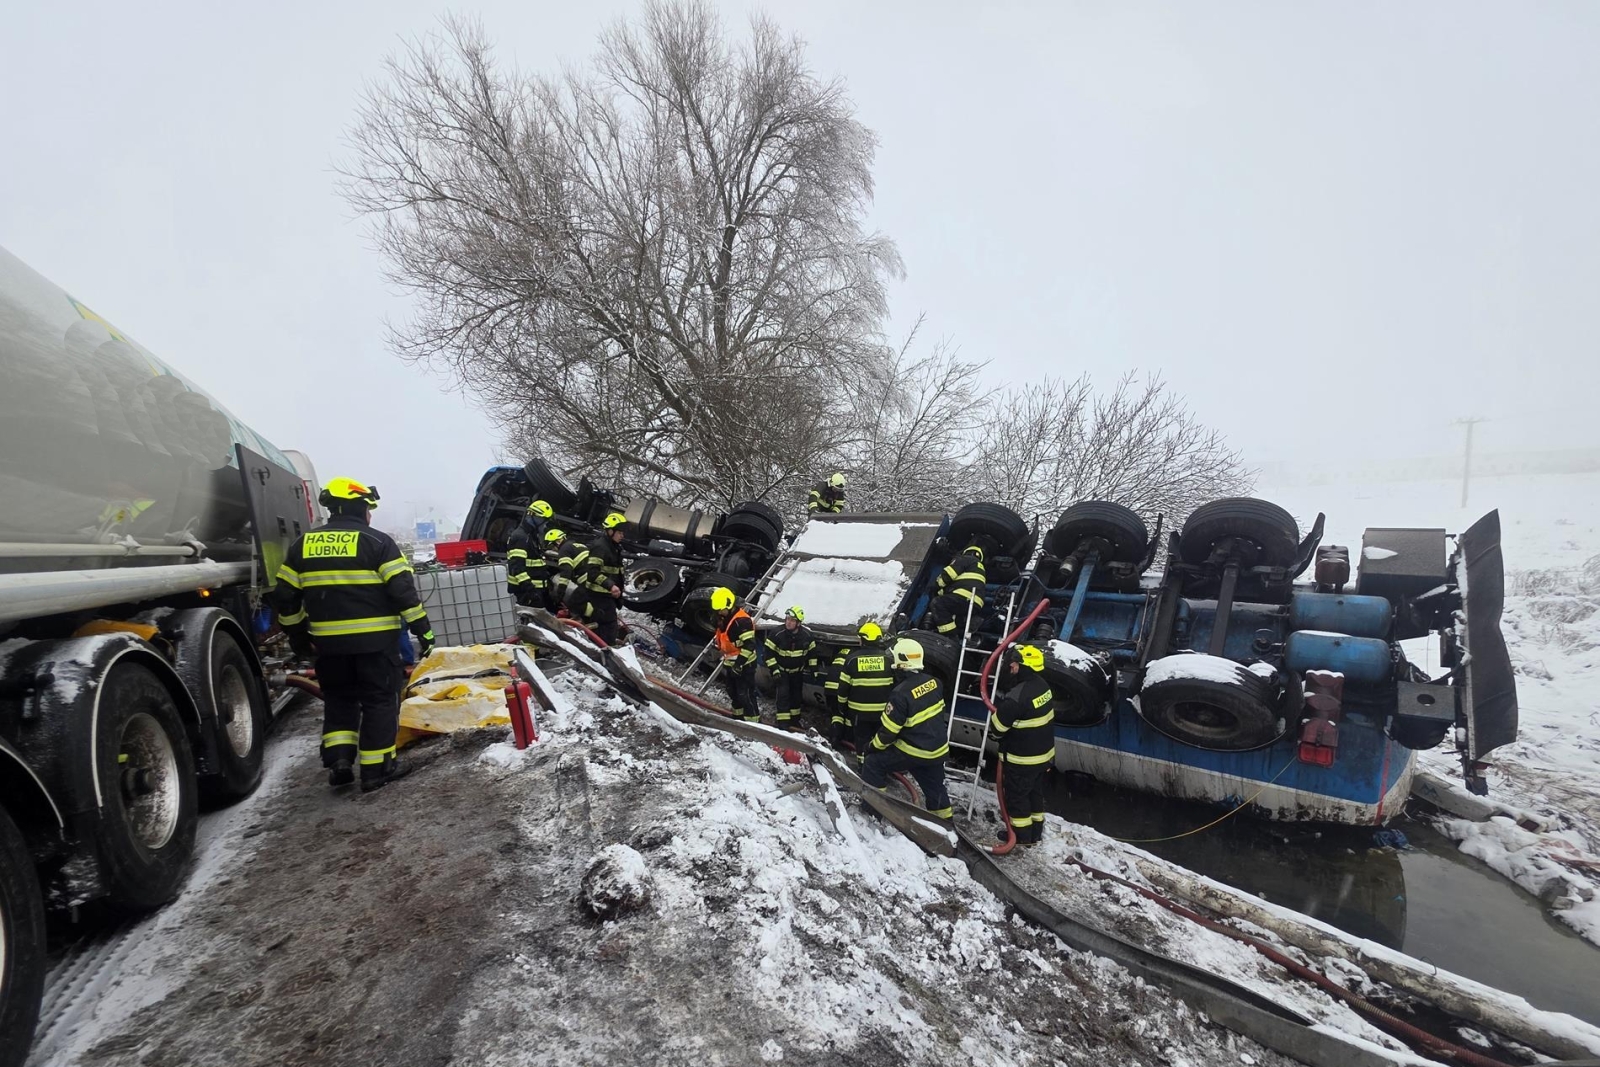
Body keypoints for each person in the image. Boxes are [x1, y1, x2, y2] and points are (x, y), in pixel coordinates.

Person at [272, 477, 434, 793]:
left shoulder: (301, 546)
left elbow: (285, 597)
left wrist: (298, 638)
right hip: (376, 644)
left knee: (339, 699)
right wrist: (424, 632)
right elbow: (403, 593)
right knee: (378, 701)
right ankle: (377, 770)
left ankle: (339, 762)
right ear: (362, 509)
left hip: (329, 647)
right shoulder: (378, 543)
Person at [861, 638, 953, 820]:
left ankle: (873, 811)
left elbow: (888, 733)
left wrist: (872, 747)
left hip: (913, 751)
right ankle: (945, 824)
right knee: (936, 790)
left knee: (873, 763)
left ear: (901, 663)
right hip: (937, 751)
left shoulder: (900, 694)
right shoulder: (935, 683)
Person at [989, 644, 1055, 846]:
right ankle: (1036, 832)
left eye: (1015, 663)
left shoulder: (1015, 698)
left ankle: (1020, 836)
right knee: (1035, 793)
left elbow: (997, 730)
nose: (1013, 667)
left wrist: (998, 717)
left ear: (1024, 666)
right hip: (1043, 756)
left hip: (1022, 759)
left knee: (1017, 798)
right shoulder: (1043, 686)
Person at [568, 512, 629, 643]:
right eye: (620, 532)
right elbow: (592, 572)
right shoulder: (600, 547)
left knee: (607, 627)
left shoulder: (614, 547)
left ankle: (603, 651)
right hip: (599, 596)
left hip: (608, 597)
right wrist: (610, 585)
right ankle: (605, 653)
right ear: (610, 531)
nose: (622, 535)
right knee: (607, 628)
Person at [836, 621, 896, 752]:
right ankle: (878, 767)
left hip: (858, 713)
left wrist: (841, 707)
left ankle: (862, 768)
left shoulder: (851, 660)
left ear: (864, 640)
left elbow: (843, 689)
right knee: (880, 742)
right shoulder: (889, 659)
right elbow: (896, 686)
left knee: (862, 741)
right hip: (883, 713)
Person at [763, 606, 818, 730]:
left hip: (797, 673)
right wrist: (775, 670)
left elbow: (812, 653)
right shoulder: (777, 633)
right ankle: (782, 724)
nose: (788, 622)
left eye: (792, 620)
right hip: (782, 672)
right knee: (783, 696)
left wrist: (814, 669)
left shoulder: (807, 635)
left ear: (798, 623)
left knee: (796, 697)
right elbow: (768, 654)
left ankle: (794, 721)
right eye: (787, 619)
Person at [711, 586, 760, 722]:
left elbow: (749, 645)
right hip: (730, 662)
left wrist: (738, 665)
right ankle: (738, 718)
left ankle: (754, 724)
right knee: (732, 692)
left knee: (746, 694)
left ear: (729, 605)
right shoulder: (723, 618)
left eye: (721, 609)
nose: (719, 612)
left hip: (745, 664)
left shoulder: (742, 622)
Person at [924, 542, 987, 636]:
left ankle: (950, 636)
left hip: (964, 597)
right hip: (975, 602)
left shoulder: (966, 559)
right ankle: (966, 620)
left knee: (938, 603)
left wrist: (936, 585)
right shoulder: (979, 568)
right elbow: (960, 583)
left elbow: (949, 574)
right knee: (949, 612)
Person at [504, 500, 554, 606]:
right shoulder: (520, 537)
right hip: (527, 593)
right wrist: (531, 591)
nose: (545, 525)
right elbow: (517, 568)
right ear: (534, 516)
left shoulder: (530, 536)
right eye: (544, 520)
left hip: (537, 591)